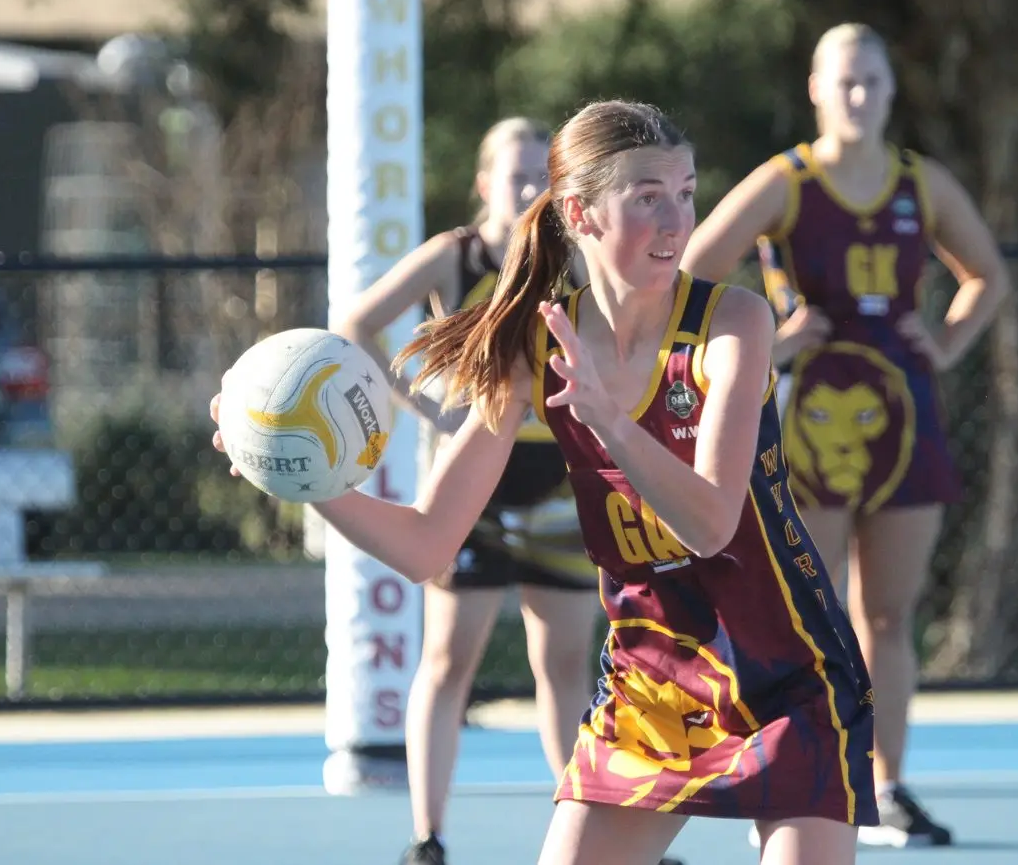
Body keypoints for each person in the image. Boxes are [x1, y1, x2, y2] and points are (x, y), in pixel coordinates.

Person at [213, 100, 877, 865]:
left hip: (788, 672)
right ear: (580, 213)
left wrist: (610, 421)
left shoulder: (733, 322)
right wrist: (305, 479)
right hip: (652, 681)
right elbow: (429, 543)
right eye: (647, 197)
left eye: (686, 192)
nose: (676, 220)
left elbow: (711, 522)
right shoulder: (536, 341)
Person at [680, 22, 1008, 848]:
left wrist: (947, 340)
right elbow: (689, 277)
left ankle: (888, 783)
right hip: (808, 422)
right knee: (810, 614)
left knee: (889, 616)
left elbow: (987, 275)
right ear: (816, 89)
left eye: (873, 80)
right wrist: (769, 341)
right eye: (845, 81)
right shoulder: (786, 181)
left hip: (902, 415)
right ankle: (810, 772)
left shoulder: (917, 182)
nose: (859, 95)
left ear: (891, 88)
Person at [329, 117, 602, 865]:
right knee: (450, 662)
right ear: (483, 182)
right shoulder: (456, 257)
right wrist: (427, 404)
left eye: (537, 179)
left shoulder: (572, 261)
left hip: (559, 488)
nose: (524, 190)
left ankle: (593, 829)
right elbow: (357, 320)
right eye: (511, 175)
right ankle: (429, 836)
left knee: (566, 667)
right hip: (473, 490)